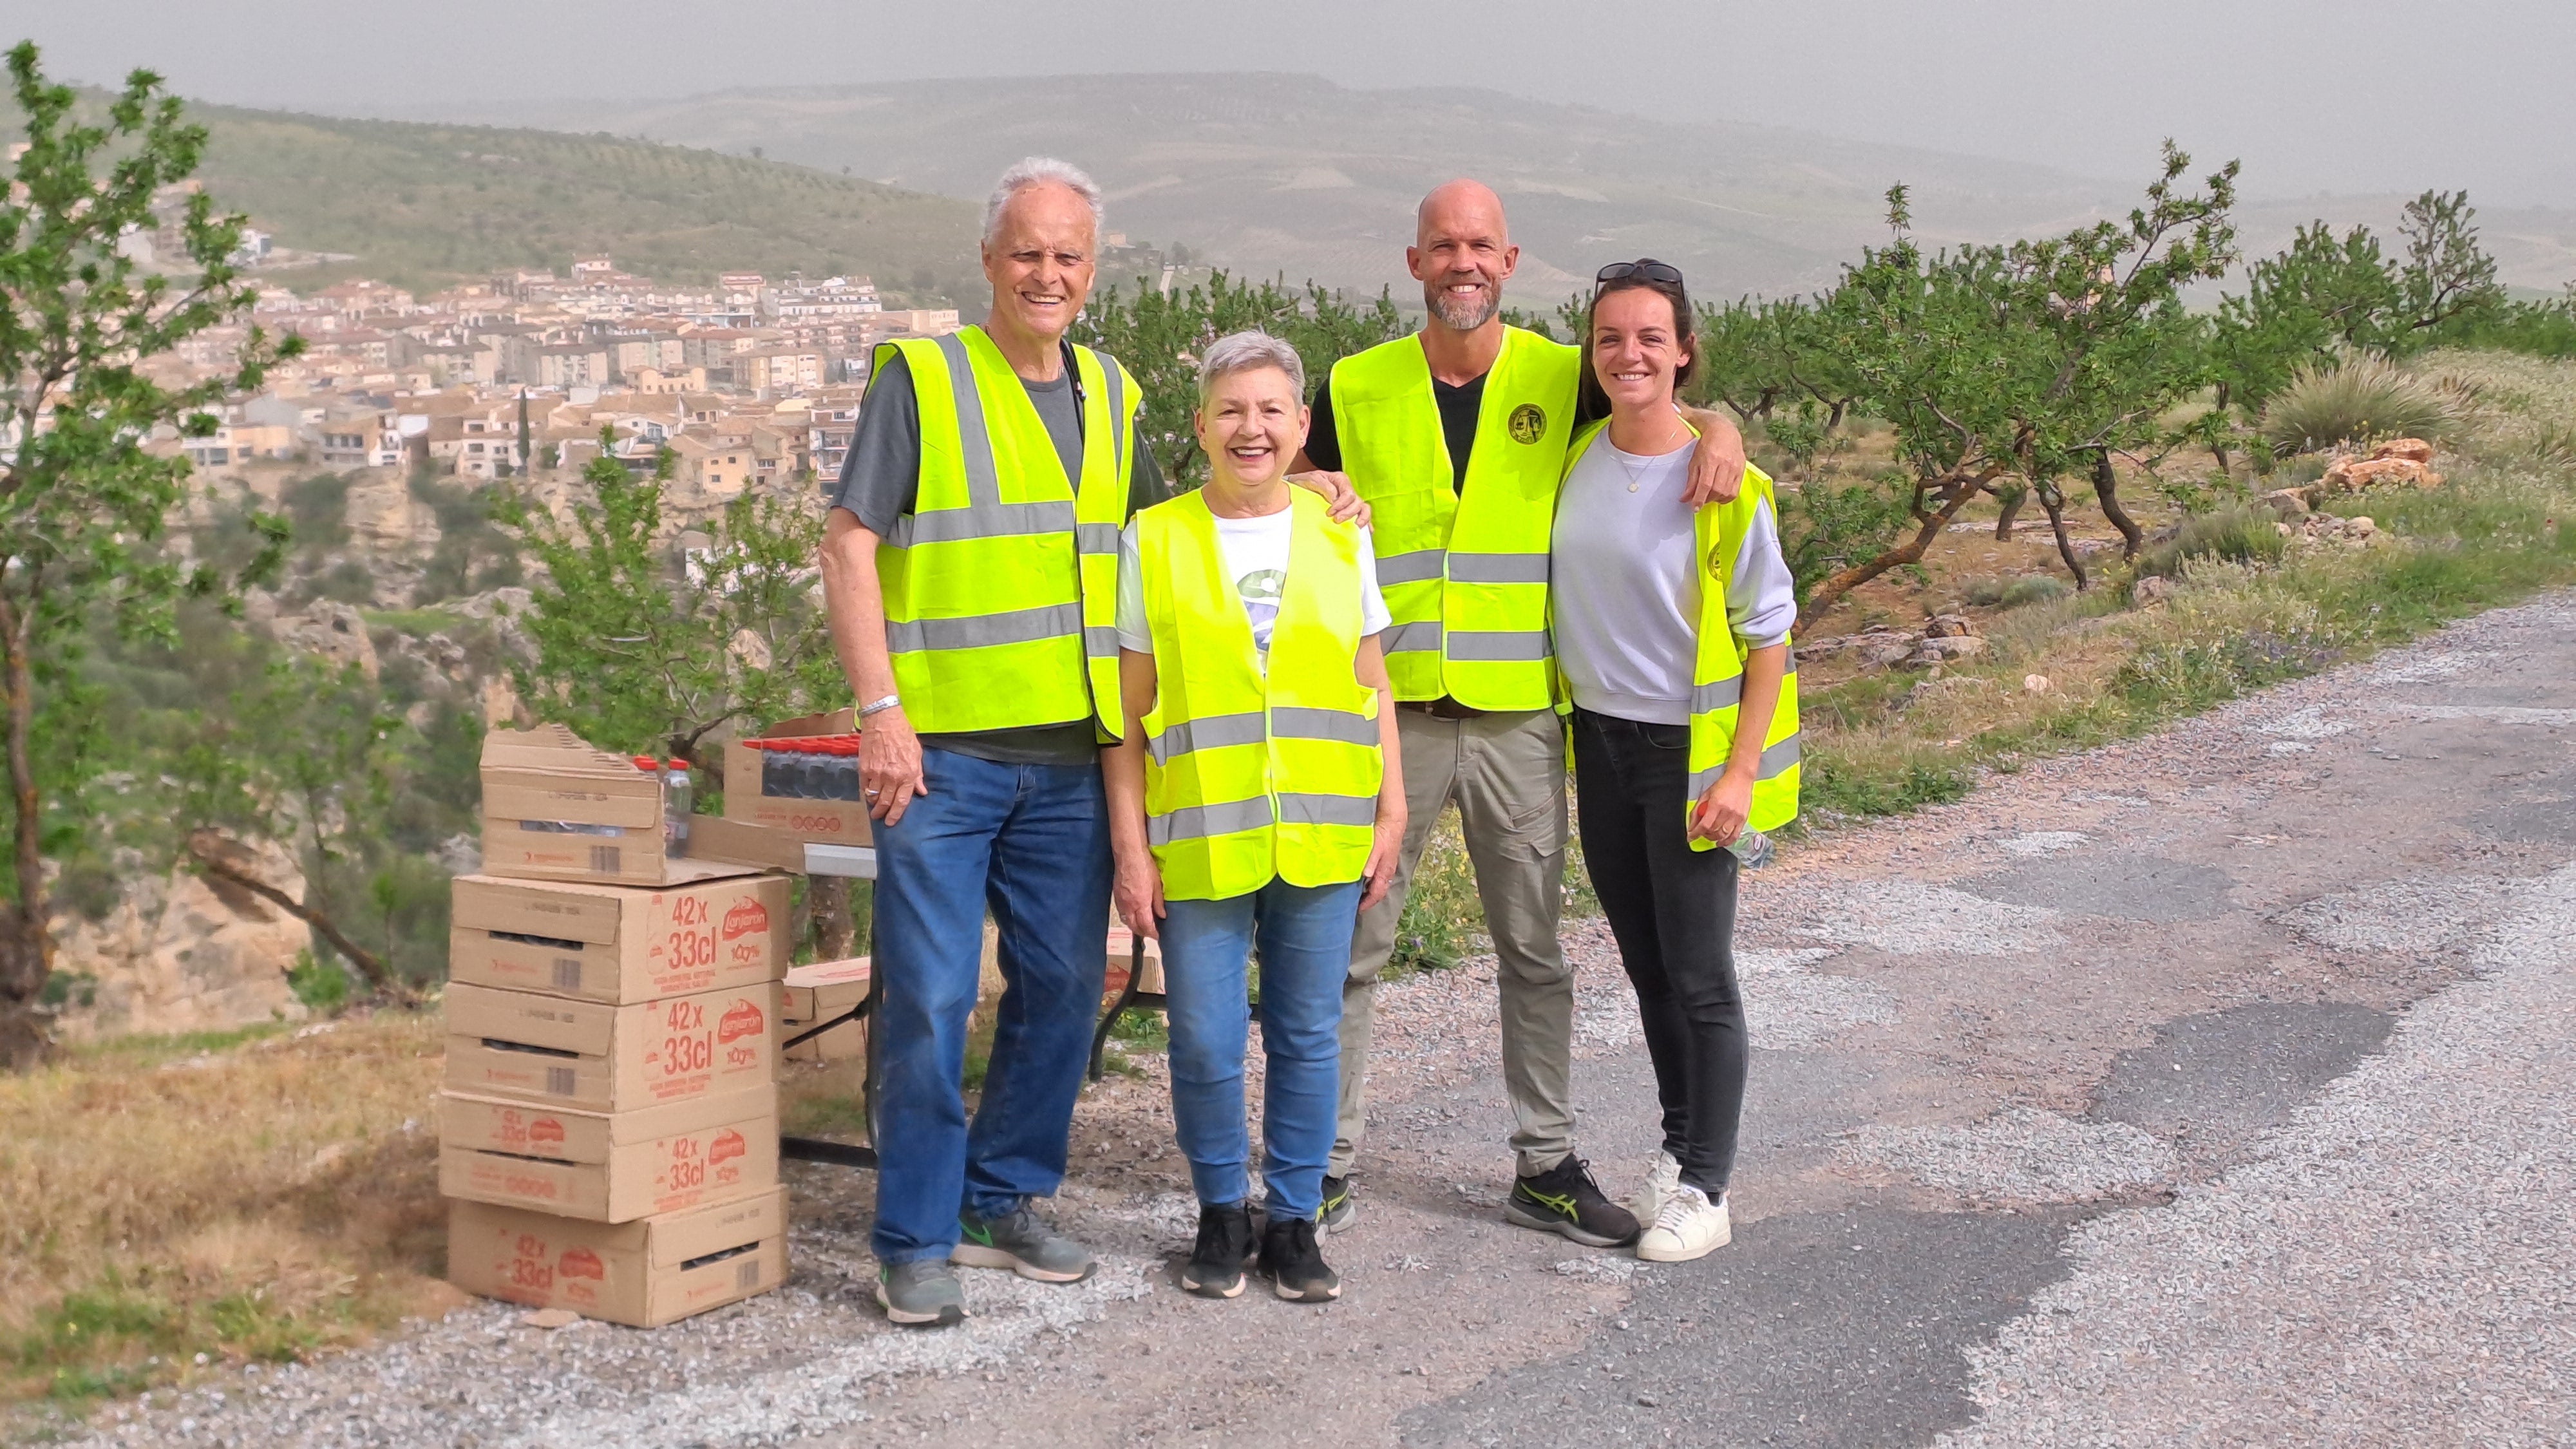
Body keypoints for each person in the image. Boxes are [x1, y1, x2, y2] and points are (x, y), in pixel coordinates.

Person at [819, 158, 1361, 1329]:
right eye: (1028, 252)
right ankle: (913, 1233)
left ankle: (1000, 1198)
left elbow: (1185, 532)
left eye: (1069, 255)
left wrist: (1311, 487)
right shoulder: (922, 378)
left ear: (1093, 269)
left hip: (1075, 756)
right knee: (925, 996)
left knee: (1064, 989)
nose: (1048, 273)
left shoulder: (1113, 393)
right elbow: (848, 544)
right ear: (989, 262)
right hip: (942, 756)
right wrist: (880, 712)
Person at [1292, 179, 1750, 1245]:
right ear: (1414, 263)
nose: (1462, 261)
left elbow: (1664, 411)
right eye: (1442, 245)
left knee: (1533, 951)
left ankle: (1544, 1164)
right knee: (1353, 945)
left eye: (1481, 246)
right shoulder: (1353, 385)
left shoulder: (1565, 372)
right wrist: (1311, 487)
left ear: (1510, 261)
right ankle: (1322, 1163)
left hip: (1518, 721)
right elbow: (1274, 477)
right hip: (1387, 717)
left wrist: (1722, 424)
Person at [1104, 331, 1405, 1303]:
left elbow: (1372, 683)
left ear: (1301, 427)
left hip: (1323, 829)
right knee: (1201, 1037)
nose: (1252, 427)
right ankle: (1219, 1212)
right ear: (1200, 424)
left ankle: (1294, 1220)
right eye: (1231, 409)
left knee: (1309, 1032)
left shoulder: (1342, 532)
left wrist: (1391, 807)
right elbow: (1128, 715)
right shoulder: (1153, 539)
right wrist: (1129, 849)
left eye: (1272, 409)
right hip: (1200, 834)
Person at [1551, 259, 1799, 1262]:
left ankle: (1709, 1185)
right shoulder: (1573, 457)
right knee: (1647, 967)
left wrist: (1737, 774)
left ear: (1685, 349)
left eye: (1652, 336)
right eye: (1612, 337)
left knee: (1701, 975)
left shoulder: (1729, 480)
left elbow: (1770, 635)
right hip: (1598, 745)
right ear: (1593, 352)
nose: (1631, 354)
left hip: (1686, 756)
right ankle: (1676, 1148)